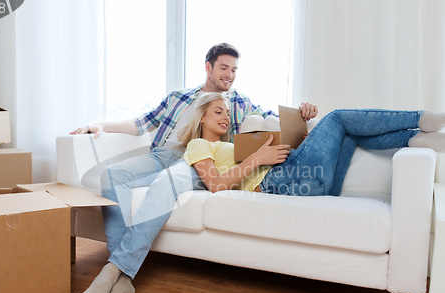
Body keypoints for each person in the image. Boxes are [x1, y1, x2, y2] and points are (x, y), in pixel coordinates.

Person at [70, 43, 315, 293]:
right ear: (208, 67)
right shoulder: (179, 96)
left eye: (234, 70)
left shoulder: (239, 102)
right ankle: (123, 276)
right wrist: (101, 125)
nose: (229, 75)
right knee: (112, 174)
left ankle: (115, 272)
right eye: (224, 67)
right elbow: (141, 123)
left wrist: (302, 113)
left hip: (197, 157)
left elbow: (273, 119)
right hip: (161, 154)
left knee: (167, 181)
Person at [183, 92, 445, 198]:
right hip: (277, 183)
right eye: (219, 112)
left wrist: (307, 143)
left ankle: (415, 138)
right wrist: (259, 157)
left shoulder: (235, 142)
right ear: (202, 116)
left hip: (311, 182)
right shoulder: (198, 144)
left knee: (348, 134)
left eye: (228, 113)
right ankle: (421, 118)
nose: (226, 117)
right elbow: (216, 186)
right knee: (338, 117)